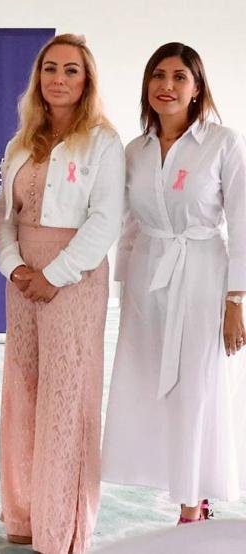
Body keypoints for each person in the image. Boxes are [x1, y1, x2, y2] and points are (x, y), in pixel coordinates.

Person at [102, 42, 246, 524]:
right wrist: (122, 288)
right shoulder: (135, 150)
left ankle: (192, 501)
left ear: (197, 87)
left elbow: (242, 222)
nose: (167, 85)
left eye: (179, 77)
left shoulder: (222, 143)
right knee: (150, 383)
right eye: (158, 75)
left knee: (196, 386)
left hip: (204, 274)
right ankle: (178, 484)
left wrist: (236, 300)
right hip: (148, 279)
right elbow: (127, 225)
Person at [0, 34, 123, 552]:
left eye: (71, 70)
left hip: (74, 277)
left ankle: (61, 527)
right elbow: (4, 217)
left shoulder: (103, 142)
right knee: (23, 391)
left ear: (86, 80)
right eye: (50, 68)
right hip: (24, 277)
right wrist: (14, 267)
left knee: (66, 399)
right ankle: (24, 514)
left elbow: (105, 220)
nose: (59, 79)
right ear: (38, 77)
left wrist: (56, 274)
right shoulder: (21, 141)